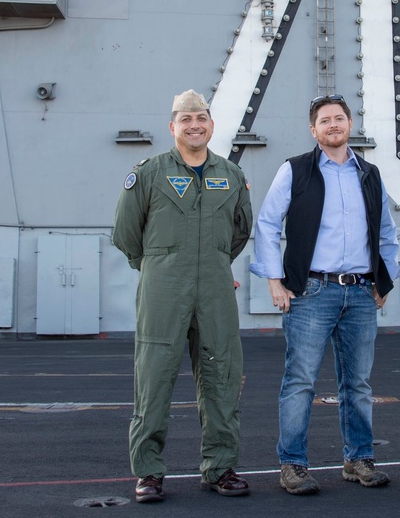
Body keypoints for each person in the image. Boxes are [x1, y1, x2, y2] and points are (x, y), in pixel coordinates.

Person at [250, 94, 400, 495]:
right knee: (300, 381)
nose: (333, 125)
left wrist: (383, 281)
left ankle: (359, 459)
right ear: (313, 129)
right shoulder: (295, 170)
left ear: (349, 124)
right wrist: (273, 280)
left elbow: (386, 232)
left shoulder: (369, 174)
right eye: (325, 120)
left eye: (339, 118)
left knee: (358, 383)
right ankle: (294, 465)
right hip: (310, 291)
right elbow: (267, 224)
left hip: (360, 293)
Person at [113, 89, 253, 504]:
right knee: (154, 379)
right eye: (185, 118)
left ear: (211, 124)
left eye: (201, 117)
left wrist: (210, 264)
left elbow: (240, 231)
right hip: (163, 288)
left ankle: (220, 467)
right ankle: (149, 473)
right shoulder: (149, 172)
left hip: (214, 287)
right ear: (172, 127)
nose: (194, 125)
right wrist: (159, 266)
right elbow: (125, 233)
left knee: (221, 377)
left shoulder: (230, 174)